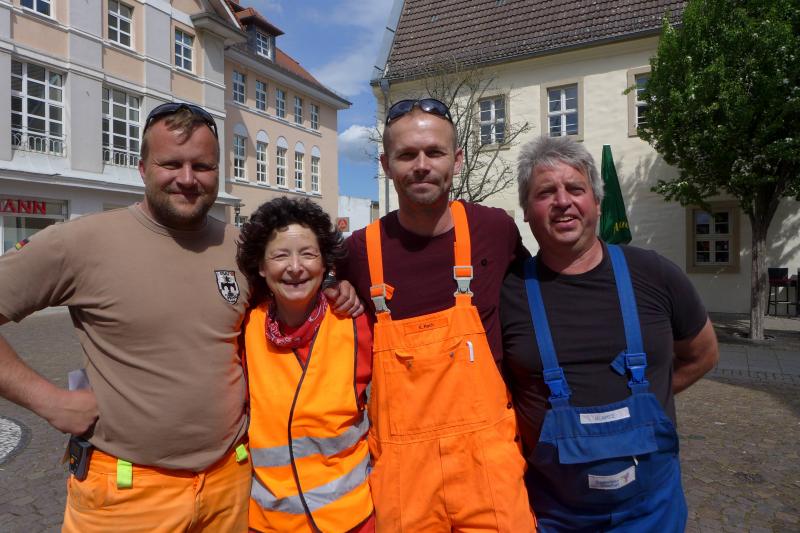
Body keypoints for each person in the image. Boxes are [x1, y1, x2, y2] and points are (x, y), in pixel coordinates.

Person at [0, 103, 361, 531]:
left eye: (202, 166)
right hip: (127, 494)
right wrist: (49, 401)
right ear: (142, 168)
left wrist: (333, 284)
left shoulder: (242, 247)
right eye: (171, 164)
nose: (187, 179)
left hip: (231, 486)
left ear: (217, 172)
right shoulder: (80, 242)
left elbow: (292, 290)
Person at [501, 135, 720, 532]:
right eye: (545, 192)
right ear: (527, 211)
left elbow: (703, 354)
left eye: (576, 189)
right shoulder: (508, 292)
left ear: (597, 202)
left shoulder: (654, 274)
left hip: (652, 513)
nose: (563, 201)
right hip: (553, 515)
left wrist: (653, 395)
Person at [337, 98, 536, 531]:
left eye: (435, 152)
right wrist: (340, 292)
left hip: (488, 468)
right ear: (386, 165)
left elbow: (538, 303)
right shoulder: (358, 252)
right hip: (404, 477)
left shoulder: (494, 230)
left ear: (457, 160)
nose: (422, 165)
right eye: (407, 154)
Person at [237, 197, 374, 532]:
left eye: (308, 254)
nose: (295, 266)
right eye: (280, 255)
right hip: (270, 522)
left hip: (352, 519)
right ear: (261, 266)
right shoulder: (243, 329)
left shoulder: (357, 323)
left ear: (325, 263)